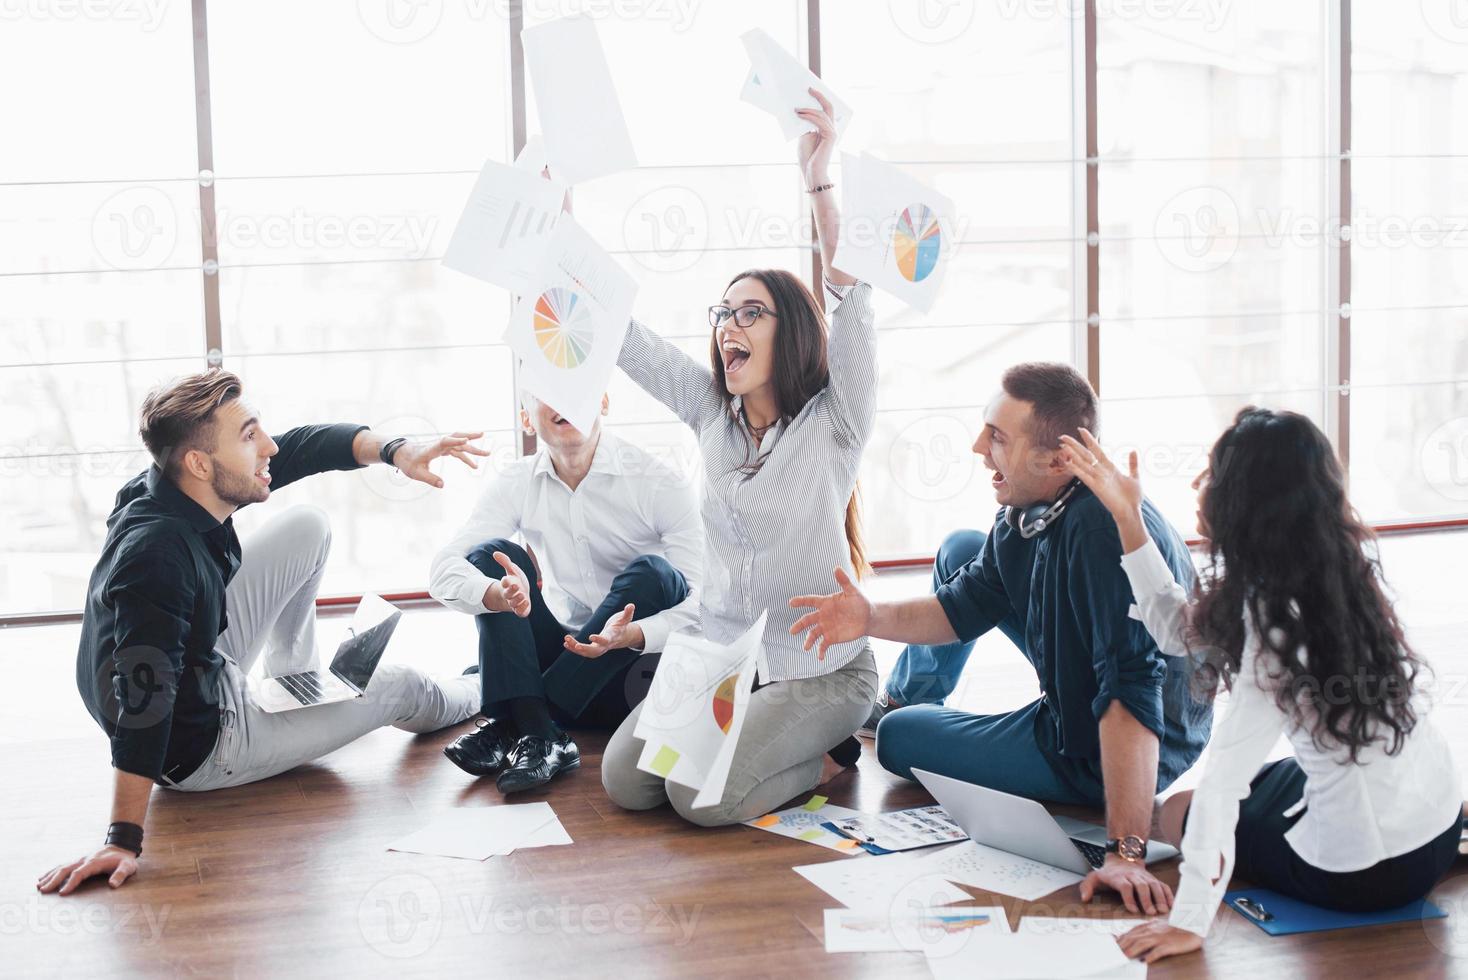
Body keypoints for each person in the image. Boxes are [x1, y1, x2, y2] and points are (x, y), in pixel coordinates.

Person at [38, 369, 486, 896]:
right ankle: (487, 683)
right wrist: (122, 839)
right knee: (401, 686)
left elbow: (301, 446)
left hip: (196, 663)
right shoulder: (156, 558)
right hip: (202, 743)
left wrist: (396, 450)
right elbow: (145, 703)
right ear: (200, 463)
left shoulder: (163, 485)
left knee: (308, 526)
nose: (270, 446)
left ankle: (296, 679)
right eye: (249, 437)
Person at [790, 362, 1213, 914]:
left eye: (996, 437)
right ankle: (907, 692)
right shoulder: (1028, 511)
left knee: (898, 738)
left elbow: (1132, 689)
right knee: (963, 550)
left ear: (1059, 458)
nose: (975, 448)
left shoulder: (1099, 534)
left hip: (1121, 741)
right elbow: (962, 606)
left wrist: (1125, 853)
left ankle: (907, 714)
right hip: (1078, 686)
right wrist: (867, 616)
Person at [1053, 412, 1464, 964]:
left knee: (1179, 811)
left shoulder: (1274, 623)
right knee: (1280, 780)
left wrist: (1190, 921)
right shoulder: (1343, 566)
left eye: (1211, 474)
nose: (1201, 484)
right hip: (1439, 828)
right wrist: (1128, 515)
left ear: (1241, 502)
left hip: (1367, 875)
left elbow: (1224, 781)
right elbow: (1180, 633)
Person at [598, 89, 878, 827]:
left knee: (701, 802)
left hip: (820, 670)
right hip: (723, 660)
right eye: (723, 312)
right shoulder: (708, 414)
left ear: (791, 334)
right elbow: (629, 341)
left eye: (750, 311)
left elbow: (852, 302)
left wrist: (820, 186)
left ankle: (829, 755)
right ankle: (759, 740)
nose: (730, 324)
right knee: (626, 784)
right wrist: (562, 234)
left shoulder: (836, 422)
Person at [428, 390, 702, 793]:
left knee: (655, 575)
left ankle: (519, 722)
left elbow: (703, 605)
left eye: (574, 386)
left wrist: (635, 634)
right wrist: (494, 594)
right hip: (564, 656)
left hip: (630, 671)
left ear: (604, 401)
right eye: (546, 392)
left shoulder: (660, 481)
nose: (564, 400)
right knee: (491, 556)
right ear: (526, 416)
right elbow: (444, 568)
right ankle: (543, 734)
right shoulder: (517, 481)